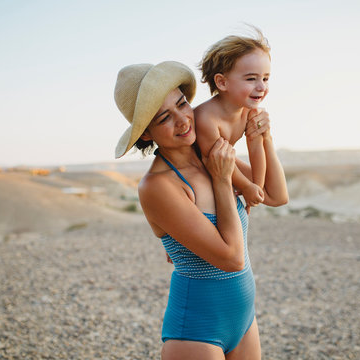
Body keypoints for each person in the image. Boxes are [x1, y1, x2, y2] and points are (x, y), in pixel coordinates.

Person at [114, 61, 288, 359]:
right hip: (196, 332)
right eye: (165, 118)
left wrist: (263, 136)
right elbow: (232, 258)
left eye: (182, 104)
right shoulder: (158, 186)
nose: (183, 121)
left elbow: (275, 195)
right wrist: (221, 181)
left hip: (244, 320)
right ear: (146, 134)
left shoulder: (209, 154)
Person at [195, 28, 272, 213]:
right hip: (201, 169)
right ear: (222, 82)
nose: (261, 86)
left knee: (273, 193)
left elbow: (256, 148)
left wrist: (256, 188)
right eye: (251, 78)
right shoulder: (206, 118)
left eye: (266, 78)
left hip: (223, 164)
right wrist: (245, 187)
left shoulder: (249, 112)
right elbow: (213, 159)